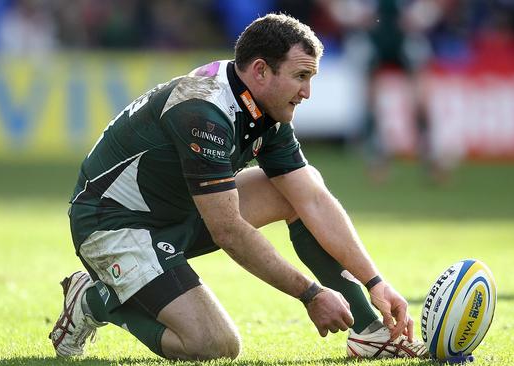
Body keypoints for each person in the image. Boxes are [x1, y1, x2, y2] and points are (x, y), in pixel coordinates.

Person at [48, 13, 428, 360]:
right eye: (300, 77)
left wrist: (375, 282)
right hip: (114, 225)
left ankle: (371, 333)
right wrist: (310, 294)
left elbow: (312, 200)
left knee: (299, 189)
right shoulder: (203, 112)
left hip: (177, 211)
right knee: (214, 345)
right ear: (261, 71)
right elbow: (228, 231)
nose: (307, 92)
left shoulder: (262, 106)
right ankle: (95, 300)